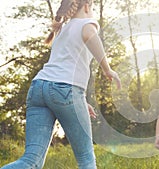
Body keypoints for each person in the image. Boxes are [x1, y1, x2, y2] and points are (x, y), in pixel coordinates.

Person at [1, 0, 121, 168]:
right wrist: (107, 69)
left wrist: (80, 102)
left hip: (39, 88)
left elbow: (61, 67)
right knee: (86, 160)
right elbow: (90, 35)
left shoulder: (63, 29)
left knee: (30, 161)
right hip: (65, 90)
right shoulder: (87, 23)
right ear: (87, 6)